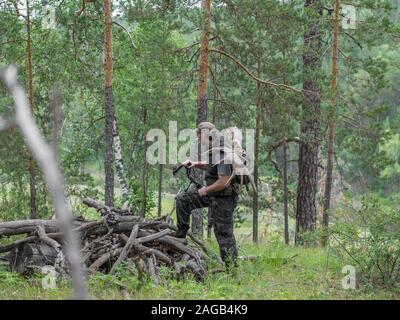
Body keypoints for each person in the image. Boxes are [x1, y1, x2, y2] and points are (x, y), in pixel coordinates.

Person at [171, 122, 239, 268]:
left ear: (207, 135)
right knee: (183, 199)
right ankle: (181, 234)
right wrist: (194, 164)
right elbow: (210, 166)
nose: (198, 137)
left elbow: (224, 182)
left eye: (199, 135)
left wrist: (206, 190)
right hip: (214, 194)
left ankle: (232, 269)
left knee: (223, 233)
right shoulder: (213, 149)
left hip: (224, 198)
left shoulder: (221, 151)